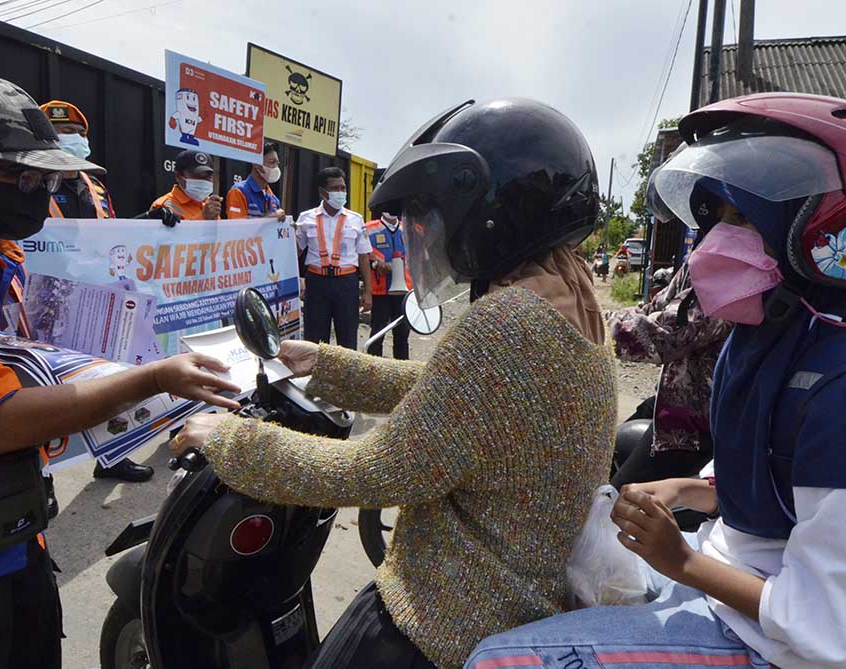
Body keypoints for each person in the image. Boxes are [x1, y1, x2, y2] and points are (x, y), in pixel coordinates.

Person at [171, 98, 617, 669]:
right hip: (520, 603)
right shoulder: (568, 295)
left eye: (436, 212)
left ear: (491, 210)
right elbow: (461, 395)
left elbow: (377, 469)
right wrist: (327, 364)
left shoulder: (508, 323)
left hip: (448, 617)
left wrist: (229, 440)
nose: (429, 232)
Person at [0, 72, 240, 669]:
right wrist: (153, 379)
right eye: (24, 177)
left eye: (50, 179)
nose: (39, 193)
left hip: (0, 527)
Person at [465, 93, 846, 669]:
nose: (719, 239)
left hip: (772, 638)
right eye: (717, 219)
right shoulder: (765, 337)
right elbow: (771, 478)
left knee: (493, 659)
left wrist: (682, 564)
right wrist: (687, 490)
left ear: (814, 229)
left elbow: (826, 625)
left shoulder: (835, 385)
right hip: (733, 570)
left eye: (742, 219)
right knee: (571, 575)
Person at [40, 98, 152, 483]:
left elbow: (112, 234)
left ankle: (112, 456)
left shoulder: (95, 186)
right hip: (47, 302)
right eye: (62, 133)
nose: (71, 140)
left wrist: (152, 221)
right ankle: (42, 471)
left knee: (105, 379)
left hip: (95, 300)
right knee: (45, 387)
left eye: (77, 134)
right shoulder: (32, 183)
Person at [606, 173, 733, 487]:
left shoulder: (735, 270)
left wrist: (587, 329)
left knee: (620, 501)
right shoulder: (704, 254)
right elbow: (653, 310)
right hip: (678, 396)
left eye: (738, 217)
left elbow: (664, 336)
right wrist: (596, 316)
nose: (725, 225)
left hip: (701, 420)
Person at [295, 167, 373, 350]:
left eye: (343, 188)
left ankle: (345, 379)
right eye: (335, 188)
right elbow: (294, 252)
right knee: (314, 340)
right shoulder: (306, 219)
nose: (341, 192)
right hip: (317, 283)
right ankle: (314, 376)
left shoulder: (356, 219)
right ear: (323, 192)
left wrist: (368, 292)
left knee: (347, 338)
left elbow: (363, 257)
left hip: (346, 283)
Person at [39, 100, 116, 219]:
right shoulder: (26, 183)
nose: (78, 138)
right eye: (68, 132)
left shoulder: (96, 186)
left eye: (82, 134)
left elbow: (112, 230)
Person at [365, 210, 412, 358]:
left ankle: (403, 373)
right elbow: (362, 256)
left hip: (404, 292)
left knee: (402, 335)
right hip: (381, 291)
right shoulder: (369, 229)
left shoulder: (409, 229)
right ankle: (373, 373)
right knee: (377, 334)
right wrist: (376, 265)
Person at [146, 149, 222, 225]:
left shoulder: (210, 204)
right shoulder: (165, 206)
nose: (202, 181)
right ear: (178, 176)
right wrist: (203, 216)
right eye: (196, 176)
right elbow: (170, 235)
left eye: (207, 177)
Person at [225, 141, 285, 220]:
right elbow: (236, 228)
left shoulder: (273, 198)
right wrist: (270, 219)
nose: (276, 167)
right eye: (271, 162)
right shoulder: (238, 192)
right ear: (256, 163)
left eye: (277, 163)